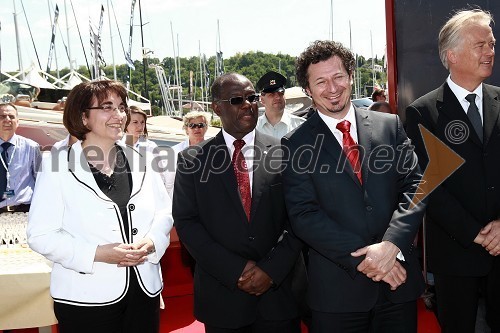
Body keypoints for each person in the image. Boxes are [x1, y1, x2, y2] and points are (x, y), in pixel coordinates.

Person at [282, 40, 426, 333]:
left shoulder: (390, 125)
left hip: (398, 286)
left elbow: (416, 186)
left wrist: (391, 246)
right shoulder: (295, 144)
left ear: (350, 76)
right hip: (338, 295)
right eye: (320, 81)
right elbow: (304, 215)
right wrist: (371, 257)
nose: (332, 88)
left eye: (338, 77)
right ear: (308, 90)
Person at [27, 80, 173, 333]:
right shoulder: (56, 166)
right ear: (83, 117)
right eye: (107, 107)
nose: (119, 115)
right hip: (86, 297)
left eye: (122, 107)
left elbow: (164, 212)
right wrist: (96, 253)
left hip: (144, 291)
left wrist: (152, 241)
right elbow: (41, 236)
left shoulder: (142, 160)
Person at [173, 73, 304, 333]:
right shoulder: (192, 159)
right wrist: (236, 269)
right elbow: (187, 222)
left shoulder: (285, 152)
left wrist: (270, 270)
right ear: (217, 108)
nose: (248, 105)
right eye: (236, 100)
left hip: (278, 295)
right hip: (223, 297)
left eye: (252, 98)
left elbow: (299, 217)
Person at [405, 8, 500, 333]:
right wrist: (478, 234)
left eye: (492, 44)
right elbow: (430, 187)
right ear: (452, 54)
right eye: (480, 45)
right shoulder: (423, 113)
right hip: (456, 257)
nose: (490, 51)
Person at [0, 95, 40, 213]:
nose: (7, 119)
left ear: (17, 122)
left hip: (23, 211)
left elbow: (41, 181)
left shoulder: (32, 147)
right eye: (2, 116)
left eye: (11, 117)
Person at [165, 111, 209, 198]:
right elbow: (169, 183)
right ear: (186, 129)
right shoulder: (174, 151)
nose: (197, 128)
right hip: (182, 200)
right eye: (192, 126)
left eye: (201, 125)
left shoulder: (215, 150)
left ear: (206, 128)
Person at [255, 71, 305, 138]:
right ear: (262, 100)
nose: (278, 97)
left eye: (280, 93)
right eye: (272, 94)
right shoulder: (254, 128)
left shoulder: (301, 125)